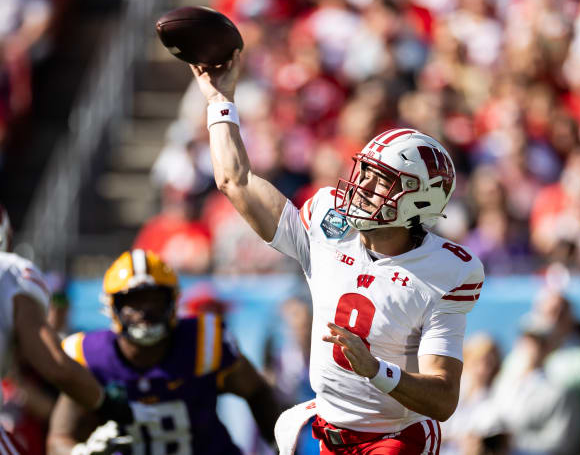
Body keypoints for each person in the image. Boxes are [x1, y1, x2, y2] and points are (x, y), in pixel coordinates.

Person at [189, 50, 484, 453]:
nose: (360, 186)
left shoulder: (443, 272)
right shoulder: (329, 226)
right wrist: (219, 102)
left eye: (380, 181)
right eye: (363, 171)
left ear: (418, 202)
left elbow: (443, 399)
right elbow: (235, 182)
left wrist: (376, 370)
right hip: (322, 428)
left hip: (393, 438)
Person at [46, 249, 279, 454]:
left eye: (154, 300)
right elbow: (58, 439)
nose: (144, 311)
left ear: (173, 301)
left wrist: (283, 447)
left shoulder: (203, 342)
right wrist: (81, 452)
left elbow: (257, 392)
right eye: (133, 302)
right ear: (112, 307)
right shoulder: (91, 357)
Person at [0, 204, 132, 453]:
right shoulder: (11, 273)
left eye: (60, 302)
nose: (55, 310)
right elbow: (55, 365)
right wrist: (105, 402)